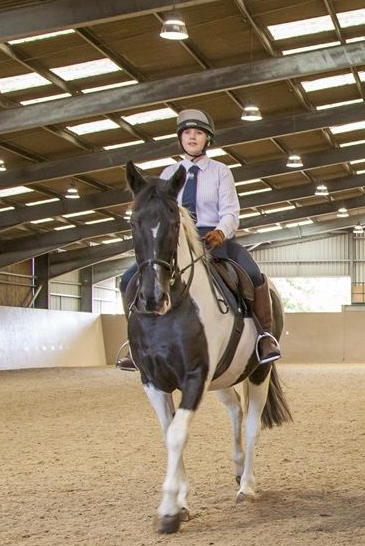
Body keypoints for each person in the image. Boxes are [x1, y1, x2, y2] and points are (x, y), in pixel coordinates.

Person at [117, 109, 280, 370]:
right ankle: (135, 342)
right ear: (181, 138)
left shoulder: (220, 171)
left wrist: (220, 231)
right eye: (188, 133)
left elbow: (231, 211)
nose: (192, 137)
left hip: (213, 237)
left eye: (199, 133)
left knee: (253, 273)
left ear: (207, 139)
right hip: (176, 240)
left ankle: (264, 337)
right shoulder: (169, 171)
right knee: (128, 279)